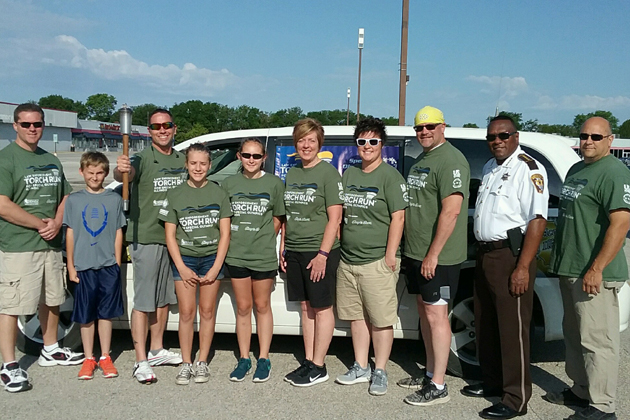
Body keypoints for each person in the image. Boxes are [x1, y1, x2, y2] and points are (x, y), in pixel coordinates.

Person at [462, 115, 548, 419]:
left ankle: (516, 398)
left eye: (503, 135)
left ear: (515, 136)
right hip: (486, 255)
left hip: (511, 256)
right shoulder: (489, 167)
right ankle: (493, 384)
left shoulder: (528, 169)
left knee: (513, 330)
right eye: (491, 137)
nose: (496, 141)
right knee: (487, 323)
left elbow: (537, 220)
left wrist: (523, 267)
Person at [545, 117, 630, 420]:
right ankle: (581, 389)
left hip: (594, 273)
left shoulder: (614, 172)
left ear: (610, 140)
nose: (588, 141)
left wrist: (597, 268)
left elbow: (621, 224)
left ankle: (602, 406)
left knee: (598, 341)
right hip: (570, 268)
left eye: (596, 136)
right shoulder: (577, 169)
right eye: (583, 135)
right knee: (575, 335)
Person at [0, 103, 84, 393]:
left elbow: (64, 197)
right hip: (19, 245)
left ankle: (50, 348)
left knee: (52, 298)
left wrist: (58, 222)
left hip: (50, 243)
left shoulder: (52, 159)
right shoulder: (7, 159)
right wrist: (39, 224)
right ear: (15, 126)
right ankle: (9, 365)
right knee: (12, 305)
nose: (33, 129)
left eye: (37, 124)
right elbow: (3, 205)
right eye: (26, 124)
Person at [398, 106, 470, 406]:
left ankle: (438, 386)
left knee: (437, 317)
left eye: (430, 127)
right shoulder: (423, 160)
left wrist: (433, 255)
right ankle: (430, 372)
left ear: (443, 127)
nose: (424, 132)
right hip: (417, 253)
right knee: (426, 315)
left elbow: (451, 211)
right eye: (419, 128)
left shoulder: (451, 160)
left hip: (438, 258)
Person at [334, 118, 407, 396]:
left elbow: (398, 217)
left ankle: (380, 371)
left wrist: (390, 255)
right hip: (349, 260)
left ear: (382, 145)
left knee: (380, 318)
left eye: (373, 141)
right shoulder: (350, 174)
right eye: (362, 141)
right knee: (356, 317)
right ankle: (361, 366)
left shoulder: (390, 177)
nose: (367, 146)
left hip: (377, 260)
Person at [114, 109, 185, 383]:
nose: (162, 130)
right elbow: (125, 174)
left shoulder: (181, 158)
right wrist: (120, 170)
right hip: (147, 236)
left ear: (174, 128)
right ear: (149, 131)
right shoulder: (141, 158)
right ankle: (140, 359)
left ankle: (157, 349)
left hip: (175, 239)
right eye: (156, 126)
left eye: (167, 125)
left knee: (164, 298)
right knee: (144, 301)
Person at [159, 143, 232, 385]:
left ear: (210, 165)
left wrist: (215, 267)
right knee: (187, 313)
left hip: (212, 258)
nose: (198, 168)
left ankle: (202, 362)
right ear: (186, 165)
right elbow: (170, 235)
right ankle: (186, 363)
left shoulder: (219, 193)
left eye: (203, 163)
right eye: (193, 163)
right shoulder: (175, 194)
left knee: (207, 311)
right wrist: (180, 265)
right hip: (185, 258)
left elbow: (225, 234)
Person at [280, 118, 343, 387]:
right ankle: (308, 360)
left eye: (311, 140)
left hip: (319, 251)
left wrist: (323, 254)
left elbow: (335, 218)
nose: (306, 145)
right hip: (295, 249)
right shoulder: (293, 173)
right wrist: (284, 244)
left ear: (320, 144)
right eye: (302, 140)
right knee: (305, 307)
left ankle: (319, 365)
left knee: (322, 307)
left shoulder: (328, 174)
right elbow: (288, 215)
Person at [222, 138, 285, 383]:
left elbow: (279, 217)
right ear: (239, 156)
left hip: (262, 256)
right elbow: (224, 219)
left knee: (262, 306)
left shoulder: (274, 183)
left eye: (256, 156)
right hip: (236, 254)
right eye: (246, 155)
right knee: (243, 308)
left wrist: (263, 236)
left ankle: (264, 358)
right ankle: (244, 357)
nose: (251, 160)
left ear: (264, 158)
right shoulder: (228, 183)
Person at [64, 152, 126, 380]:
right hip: (84, 266)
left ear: (106, 174)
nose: (95, 177)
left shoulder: (113, 199)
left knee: (106, 315)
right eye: (90, 173)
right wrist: (71, 266)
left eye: (100, 173)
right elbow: (70, 233)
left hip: (108, 265)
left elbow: (119, 231)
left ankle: (105, 356)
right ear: (82, 172)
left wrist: (116, 262)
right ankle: (89, 357)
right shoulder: (74, 200)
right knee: (87, 315)